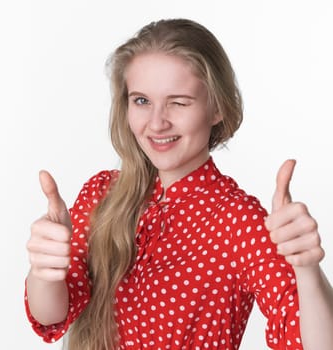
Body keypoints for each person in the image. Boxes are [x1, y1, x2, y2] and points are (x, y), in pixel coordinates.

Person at [25, 18, 333, 350]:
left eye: (179, 102)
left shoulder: (237, 221)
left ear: (216, 107)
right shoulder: (102, 194)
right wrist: (44, 270)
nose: (157, 123)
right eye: (141, 101)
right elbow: (51, 315)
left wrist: (307, 269)